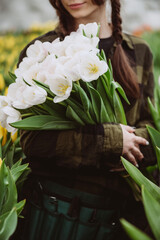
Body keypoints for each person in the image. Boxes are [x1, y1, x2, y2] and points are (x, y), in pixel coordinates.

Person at [16, 0, 156, 239]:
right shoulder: (44, 50)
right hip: (56, 212)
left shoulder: (138, 51)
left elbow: (151, 132)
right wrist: (111, 141)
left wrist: (128, 142)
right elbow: (33, 141)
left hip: (118, 217)